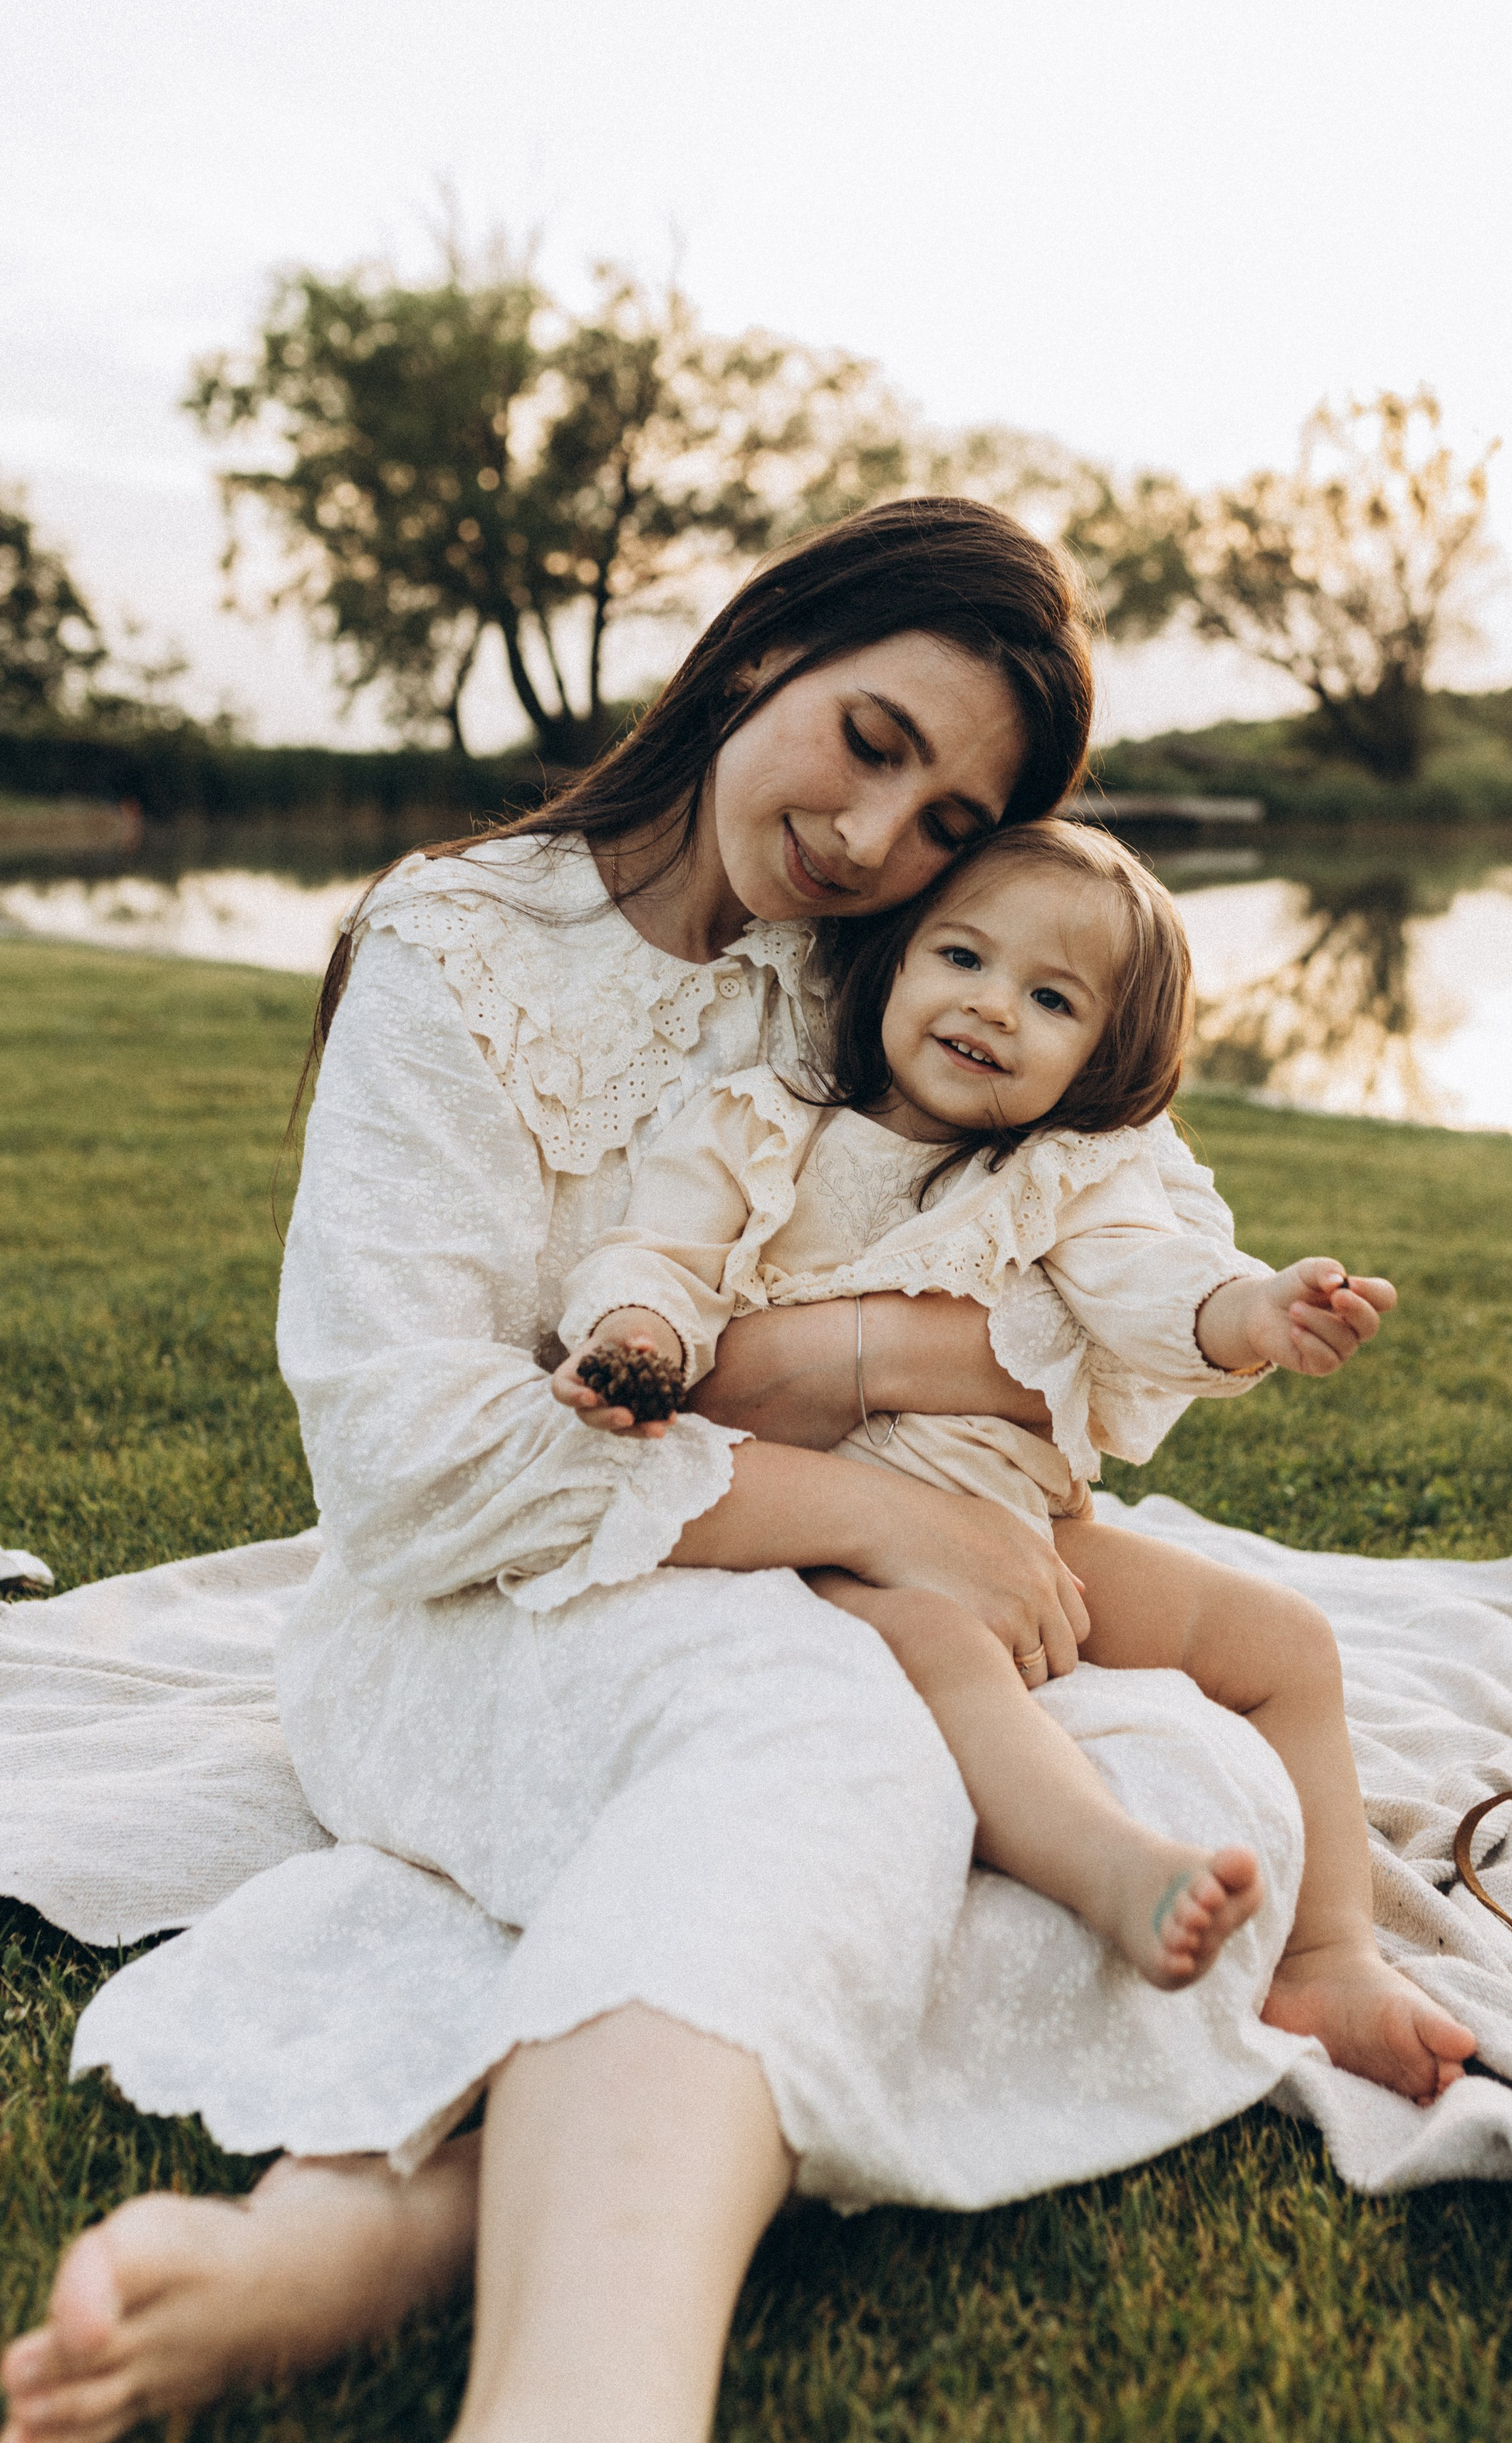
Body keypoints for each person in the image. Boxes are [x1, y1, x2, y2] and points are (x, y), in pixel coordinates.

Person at [1, 499, 1345, 2443]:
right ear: (757, 657)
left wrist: (862, 1362)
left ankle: (405, 2226)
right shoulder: (456, 949)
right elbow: (412, 1465)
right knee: (840, 1744)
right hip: (485, 1611)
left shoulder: (883, 962)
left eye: (951, 823)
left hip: (857, 1586)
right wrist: (884, 1504)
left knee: (1193, 1785)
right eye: (871, 742)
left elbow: (1135, 1235)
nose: (880, 841)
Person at [554, 819, 1476, 2077]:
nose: (992, 1008)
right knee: (941, 1648)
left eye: (1051, 998)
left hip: (1031, 1533)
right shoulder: (761, 1125)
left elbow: (1150, 1282)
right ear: (894, 961)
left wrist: (1254, 1312)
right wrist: (638, 1338)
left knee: (1288, 1644)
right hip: (821, 1542)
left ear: (1103, 1057)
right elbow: (661, 1255)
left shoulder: (1065, 1176)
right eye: (962, 958)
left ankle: (1329, 1963)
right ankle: (1106, 1864)